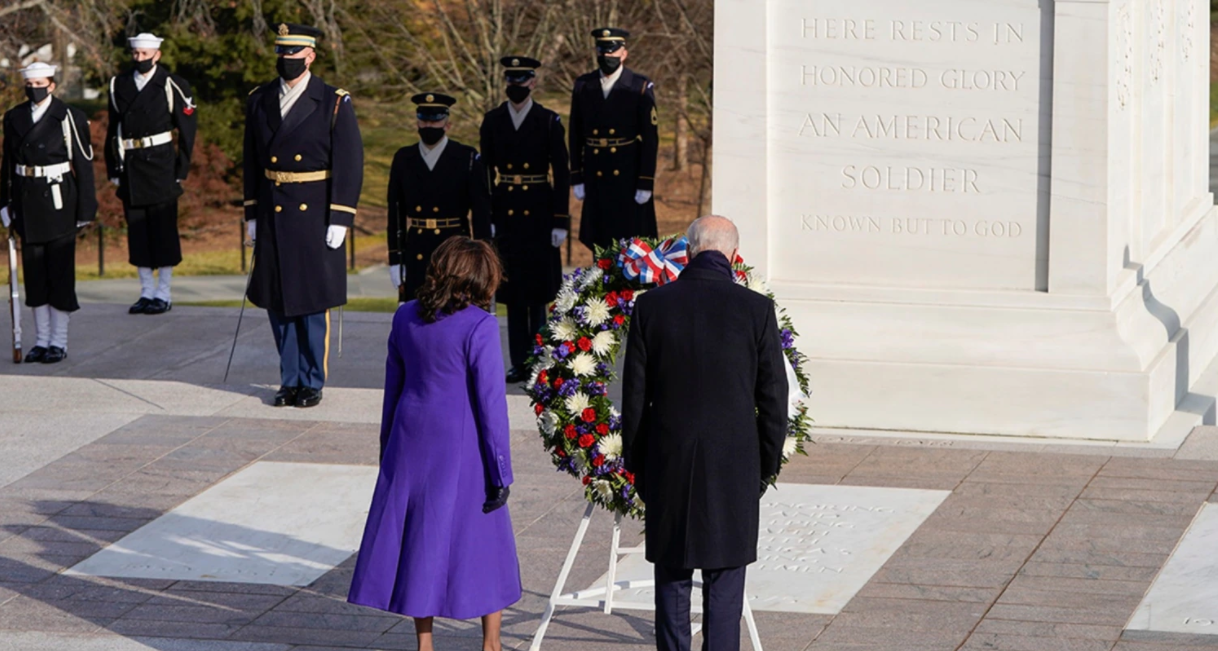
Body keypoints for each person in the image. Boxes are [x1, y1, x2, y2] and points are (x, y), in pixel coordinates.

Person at [622, 216, 788, 651]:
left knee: (673, 580)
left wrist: (640, 467)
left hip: (670, 460)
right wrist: (765, 466)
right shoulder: (756, 310)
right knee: (726, 583)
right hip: (734, 462)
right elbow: (772, 398)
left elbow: (635, 398)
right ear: (733, 255)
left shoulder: (651, 306)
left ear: (690, 251)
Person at [349, 236, 520, 651]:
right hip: (461, 445)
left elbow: (394, 387)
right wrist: (501, 470)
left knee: (418, 539)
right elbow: (491, 404)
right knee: (484, 540)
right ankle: (491, 643)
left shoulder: (405, 315)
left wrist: (388, 446)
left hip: (410, 437)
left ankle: (424, 644)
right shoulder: (479, 325)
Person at [242, 23, 364, 408]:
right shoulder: (260, 99)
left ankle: (312, 380)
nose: (287, 61)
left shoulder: (332, 102)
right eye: (282, 54)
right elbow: (251, 161)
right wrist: (251, 214)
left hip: (314, 214)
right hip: (274, 210)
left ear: (310, 56)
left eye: (294, 55)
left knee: (311, 302)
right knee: (278, 301)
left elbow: (350, 163)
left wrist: (340, 218)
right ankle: (289, 379)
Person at [479, 56, 570, 383]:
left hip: (540, 212)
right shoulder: (493, 120)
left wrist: (561, 220)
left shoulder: (548, 121)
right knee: (513, 293)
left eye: (523, 81)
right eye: (512, 81)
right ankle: (519, 361)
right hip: (506, 212)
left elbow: (561, 173)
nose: (517, 87)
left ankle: (540, 360)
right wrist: (486, 215)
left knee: (539, 293)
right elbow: (485, 173)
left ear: (533, 82)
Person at [0, 62, 97, 364]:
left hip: (59, 201)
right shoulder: (14, 117)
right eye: (30, 85)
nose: (34, 89)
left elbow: (83, 165)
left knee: (59, 273)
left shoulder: (69, 117)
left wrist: (85, 208)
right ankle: (41, 340)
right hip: (26, 202)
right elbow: (7, 165)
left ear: (52, 85)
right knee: (35, 276)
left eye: (41, 84)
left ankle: (59, 341)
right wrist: (4, 203)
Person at [104, 32, 198, 315]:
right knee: (138, 231)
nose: (139, 59)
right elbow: (113, 128)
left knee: (163, 230)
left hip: (161, 165)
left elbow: (187, 130)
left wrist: (181, 168)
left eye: (145, 55)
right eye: (136, 54)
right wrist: (114, 167)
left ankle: (164, 293)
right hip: (132, 165)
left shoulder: (171, 84)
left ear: (157, 55)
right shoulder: (118, 84)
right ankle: (146, 292)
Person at [387, 92, 491, 302]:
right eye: (424, 121)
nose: (429, 127)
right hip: (417, 246)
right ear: (417, 122)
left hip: (455, 246)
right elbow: (395, 212)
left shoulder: (466, 157)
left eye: (435, 122)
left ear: (447, 124)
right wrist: (395, 257)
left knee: (454, 309)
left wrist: (483, 257)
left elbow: (481, 211)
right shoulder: (404, 158)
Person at [568, 27, 659, 252]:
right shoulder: (583, 85)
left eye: (613, 52)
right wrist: (576, 176)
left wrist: (645, 181)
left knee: (630, 240)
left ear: (623, 54)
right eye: (603, 52)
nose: (608, 57)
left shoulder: (639, 86)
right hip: (595, 171)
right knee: (600, 242)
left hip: (627, 172)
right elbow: (575, 133)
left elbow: (650, 138)